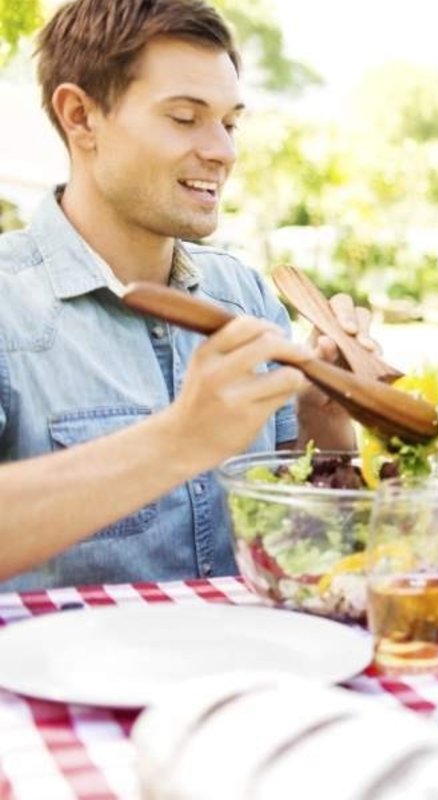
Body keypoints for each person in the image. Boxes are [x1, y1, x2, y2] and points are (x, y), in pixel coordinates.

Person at [0, 0, 370, 589]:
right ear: (80, 116)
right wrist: (178, 440)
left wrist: (322, 426)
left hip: (250, 668)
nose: (223, 151)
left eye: (229, 122)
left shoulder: (245, 295)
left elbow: (298, 551)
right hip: (62, 676)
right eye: (184, 117)